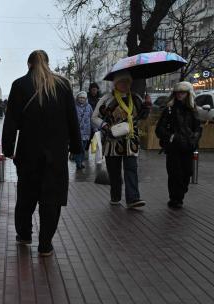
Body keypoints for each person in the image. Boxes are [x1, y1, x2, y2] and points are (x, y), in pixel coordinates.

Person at [2, 50, 82, 256]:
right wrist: (76, 147)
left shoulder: (19, 85)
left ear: (29, 64)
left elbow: (11, 121)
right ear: (47, 62)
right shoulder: (63, 85)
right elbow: (72, 119)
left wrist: (8, 149)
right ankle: (45, 244)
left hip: (28, 152)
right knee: (52, 199)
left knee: (26, 197)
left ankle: (25, 235)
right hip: (56, 154)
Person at [91, 71, 150, 208]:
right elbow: (94, 117)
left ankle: (133, 199)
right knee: (114, 172)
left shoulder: (135, 98)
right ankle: (115, 196)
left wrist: (147, 105)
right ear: (116, 83)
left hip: (131, 141)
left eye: (127, 82)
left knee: (131, 169)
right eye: (121, 82)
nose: (124, 85)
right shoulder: (107, 99)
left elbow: (142, 116)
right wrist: (105, 126)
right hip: (112, 142)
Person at [155, 81, 202, 208]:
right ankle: (175, 199)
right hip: (174, 148)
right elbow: (159, 129)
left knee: (187, 173)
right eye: (178, 92)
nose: (180, 95)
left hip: (188, 147)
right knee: (175, 173)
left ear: (188, 94)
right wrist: (172, 137)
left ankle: (180, 194)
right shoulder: (169, 109)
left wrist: (194, 140)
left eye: (183, 92)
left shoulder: (193, 109)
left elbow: (198, 127)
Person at [74, 91, 93, 170]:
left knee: (84, 148)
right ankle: (78, 163)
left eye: (84, 98)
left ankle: (81, 162)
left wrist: (95, 129)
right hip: (77, 132)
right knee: (79, 147)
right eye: (80, 97)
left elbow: (92, 118)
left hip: (86, 131)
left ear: (86, 99)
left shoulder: (89, 107)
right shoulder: (74, 107)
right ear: (77, 98)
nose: (82, 99)